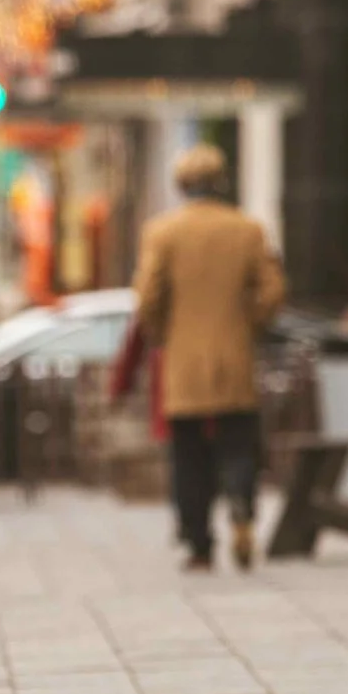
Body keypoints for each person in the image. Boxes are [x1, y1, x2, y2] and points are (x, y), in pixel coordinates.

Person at [132, 144, 287, 572]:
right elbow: (273, 290)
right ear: (220, 182)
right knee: (238, 442)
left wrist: (163, 332)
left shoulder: (162, 233)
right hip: (235, 355)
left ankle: (199, 543)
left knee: (188, 455)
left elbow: (147, 297)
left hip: (182, 359)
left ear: (181, 186)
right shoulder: (247, 230)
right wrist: (248, 322)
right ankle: (241, 502)